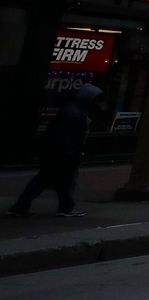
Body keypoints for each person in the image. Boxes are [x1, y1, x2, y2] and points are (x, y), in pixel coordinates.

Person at [9, 84, 103, 218]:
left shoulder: (72, 110)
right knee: (60, 181)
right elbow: (68, 137)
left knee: (46, 180)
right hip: (61, 153)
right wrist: (70, 154)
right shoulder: (74, 113)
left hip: (55, 152)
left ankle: (21, 206)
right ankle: (64, 207)